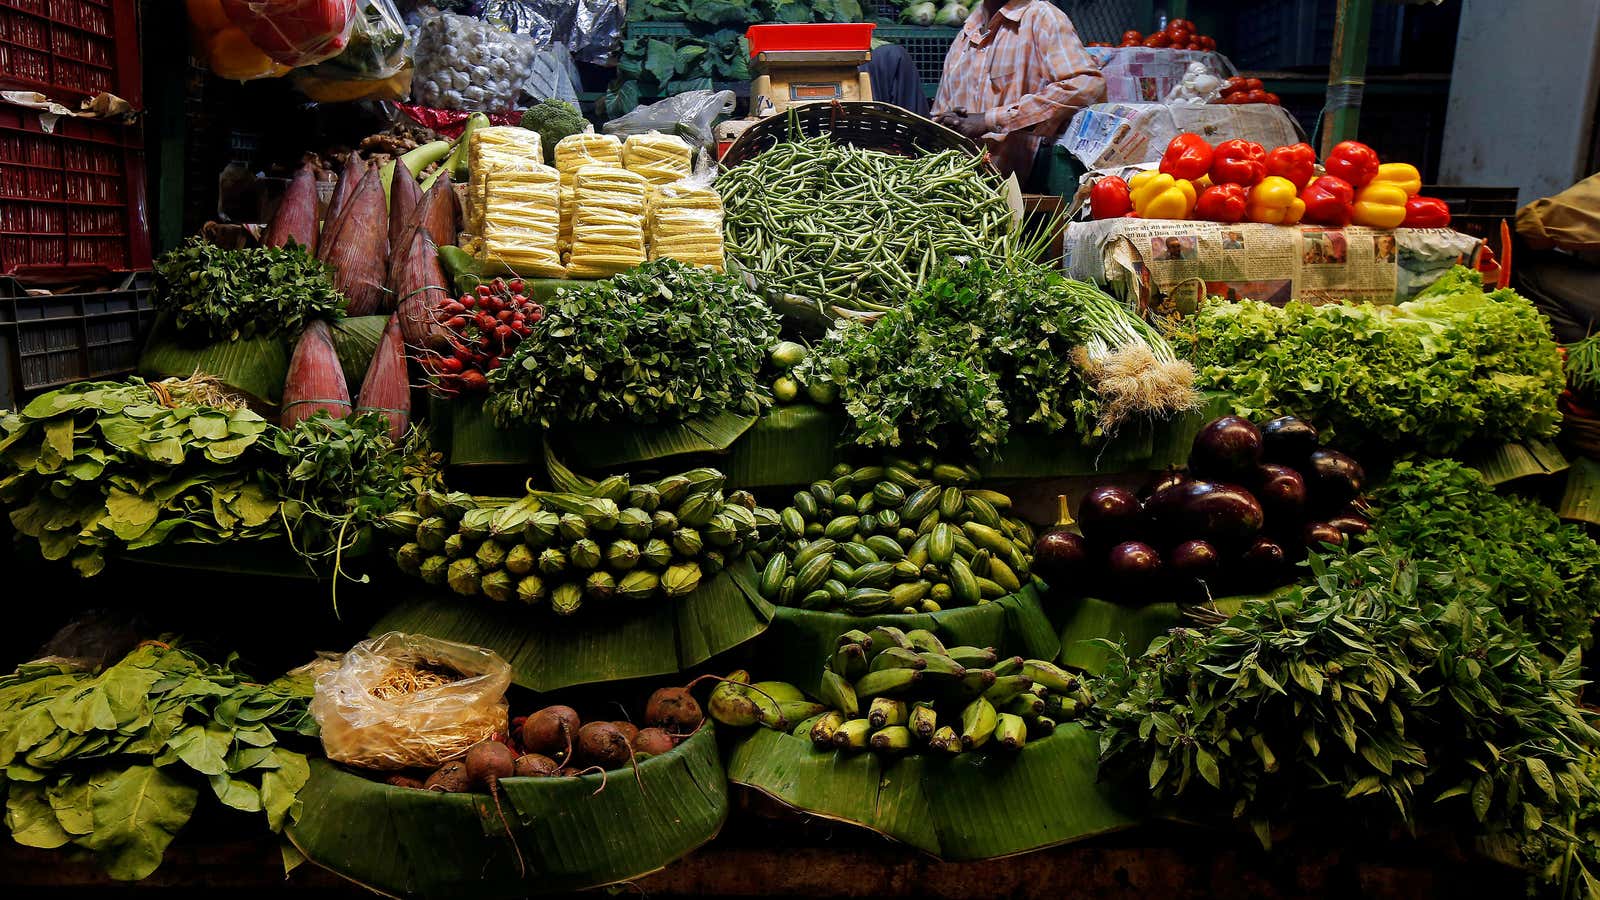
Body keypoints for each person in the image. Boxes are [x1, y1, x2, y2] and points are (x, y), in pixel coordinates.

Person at [931, 0, 1105, 186]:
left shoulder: (1042, 18)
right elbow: (938, 115)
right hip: (961, 186)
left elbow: (1087, 85)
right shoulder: (964, 36)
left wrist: (989, 120)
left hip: (1020, 186)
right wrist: (948, 122)